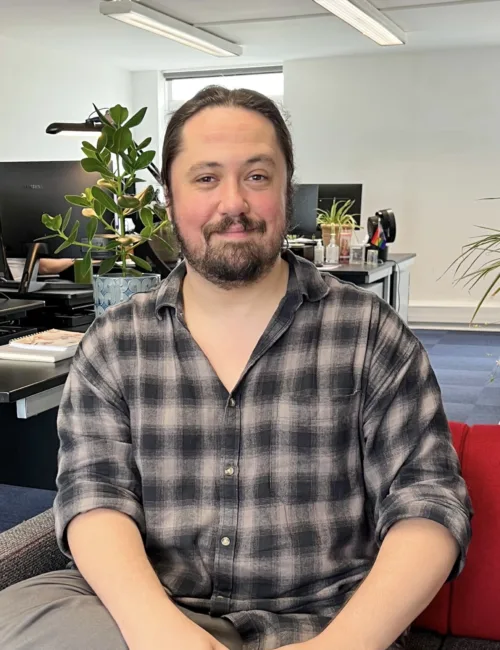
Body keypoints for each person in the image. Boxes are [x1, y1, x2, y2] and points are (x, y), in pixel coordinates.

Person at [0, 86, 472, 650]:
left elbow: (429, 502)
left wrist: (343, 644)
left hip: (324, 625)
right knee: (18, 617)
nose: (233, 204)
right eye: (205, 178)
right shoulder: (115, 342)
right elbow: (94, 497)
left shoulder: (370, 333)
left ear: (285, 189)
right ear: (169, 198)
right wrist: (161, 633)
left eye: (256, 176)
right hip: (147, 618)